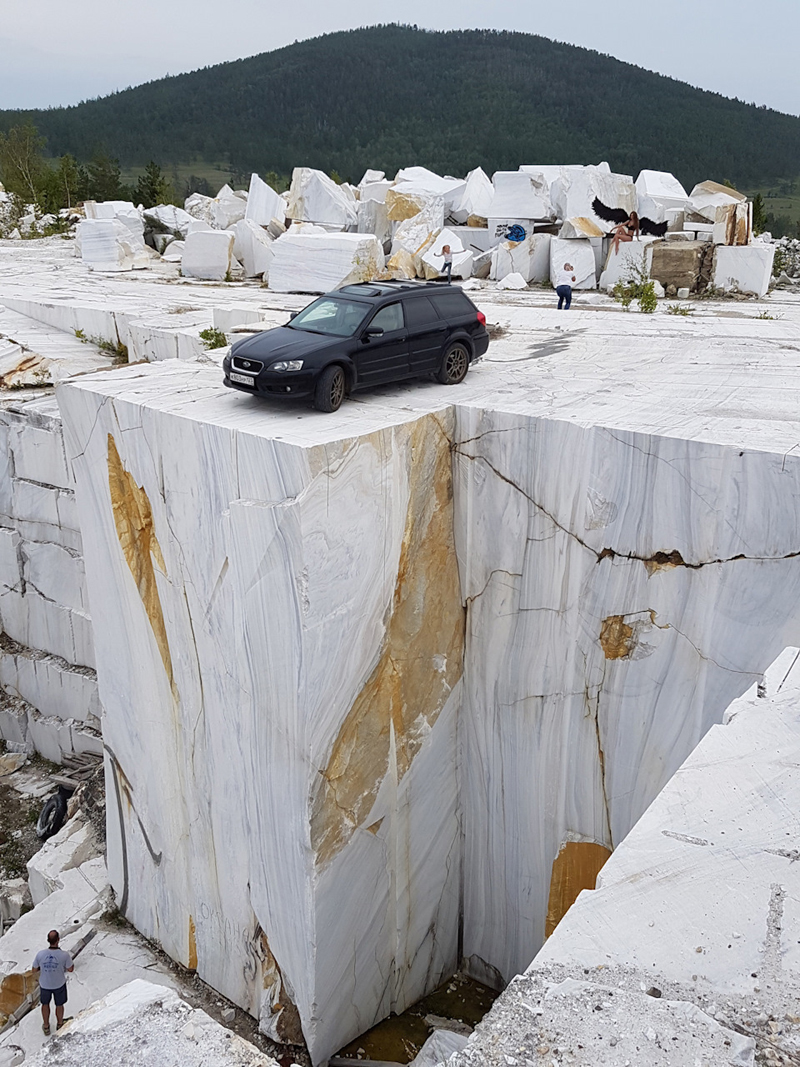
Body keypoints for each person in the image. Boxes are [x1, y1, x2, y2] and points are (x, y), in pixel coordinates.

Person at [33, 929, 74, 1035]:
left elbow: (34, 970)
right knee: (59, 1005)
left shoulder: (40, 954)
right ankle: (60, 1024)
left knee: (45, 1004)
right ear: (58, 940)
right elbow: (70, 969)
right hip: (59, 984)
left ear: (48, 940)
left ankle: (46, 1026)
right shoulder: (64, 955)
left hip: (45, 985)